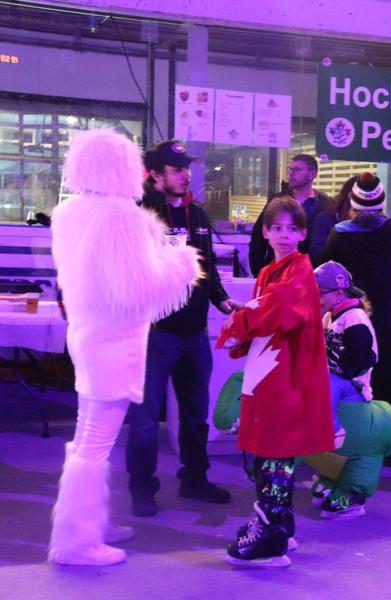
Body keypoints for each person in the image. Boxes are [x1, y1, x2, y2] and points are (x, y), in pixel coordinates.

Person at [49, 129, 200, 565]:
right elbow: (138, 289)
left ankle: (87, 524)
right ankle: (77, 542)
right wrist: (182, 262)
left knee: (86, 438)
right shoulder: (121, 217)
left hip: (86, 335)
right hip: (113, 342)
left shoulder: (68, 212)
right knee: (95, 443)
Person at [216, 196, 334, 567]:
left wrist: (240, 322)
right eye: (277, 227)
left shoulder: (299, 270)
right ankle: (279, 524)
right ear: (265, 232)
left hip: (286, 376)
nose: (284, 235)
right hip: (271, 371)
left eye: (292, 228)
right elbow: (267, 314)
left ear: (303, 234)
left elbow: (280, 309)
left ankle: (270, 537)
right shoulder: (271, 271)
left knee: (274, 448)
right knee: (272, 450)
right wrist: (246, 327)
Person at [125, 140, 239, 518]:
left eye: (187, 168)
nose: (186, 174)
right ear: (155, 175)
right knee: (145, 420)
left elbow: (207, 267)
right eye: (177, 169)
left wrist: (222, 300)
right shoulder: (141, 213)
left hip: (194, 332)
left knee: (195, 415)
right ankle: (142, 488)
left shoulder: (198, 213)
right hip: (155, 332)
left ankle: (195, 479)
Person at [312, 261, 391, 518]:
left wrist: (328, 360)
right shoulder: (330, 316)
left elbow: (360, 360)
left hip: (353, 389)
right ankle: (332, 477)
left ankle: (351, 490)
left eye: (320, 293)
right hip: (337, 386)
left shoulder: (355, 318)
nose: (317, 299)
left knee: (354, 447)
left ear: (339, 293)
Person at [321, 172, 391, 410]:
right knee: (389, 394)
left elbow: (328, 271)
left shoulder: (338, 235)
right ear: (381, 202)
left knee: (353, 393)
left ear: (352, 202)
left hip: (352, 321)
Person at [249, 154, 335, 274]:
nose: (291, 173)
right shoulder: (278, 200)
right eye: (290, 169)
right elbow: (258, 236)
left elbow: (327, 244)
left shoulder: (324, 204)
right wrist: (258, 269)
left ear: (312, 174)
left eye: (297, 170)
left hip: (309, 272)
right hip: (276, 270)